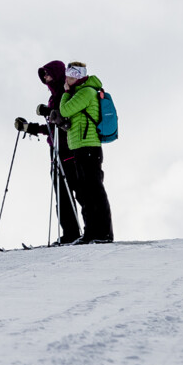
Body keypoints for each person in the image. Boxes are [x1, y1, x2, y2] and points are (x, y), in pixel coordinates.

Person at [58, 62, 114, 244]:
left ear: (79, 75)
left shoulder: (86, 92)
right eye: (67, 74)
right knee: (86, 192)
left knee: (94, 191)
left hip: (88, 147)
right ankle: (91, 232)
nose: (67, 78)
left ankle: (103, 233)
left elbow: (65, 110)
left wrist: (66, 92)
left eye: (71, 74)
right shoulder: (81, 92)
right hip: (81, 147)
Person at [38, 60, 82, 246]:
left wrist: (49, 112)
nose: (46, 78)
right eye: (44, 75)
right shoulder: (54, 95)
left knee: (74, 189)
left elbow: (64, 119)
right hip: (55, 148)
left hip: (67, 147)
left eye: (48, 74)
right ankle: (69, 232)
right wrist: (31, 128)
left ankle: (77, 232)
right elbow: (52, 125)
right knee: (61, 192)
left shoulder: (65, 93)